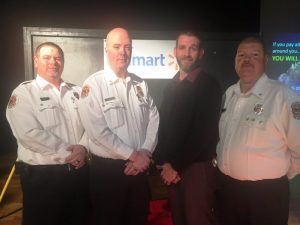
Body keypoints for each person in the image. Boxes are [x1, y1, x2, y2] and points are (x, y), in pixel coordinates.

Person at [78, 27, 159, 225]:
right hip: (108, 174)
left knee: (138, 218)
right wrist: (134, 156)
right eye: (116, 46)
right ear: (107, 49)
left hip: (139, 169)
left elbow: (154, 118)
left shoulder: (141, 84)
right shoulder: (93, 85)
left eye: (127, 47)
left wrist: (146, 152)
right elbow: (97, 131)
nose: (123, 52)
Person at [216, 36, 300, 225]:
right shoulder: (229, 93)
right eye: (241, 55)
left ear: (265, 60)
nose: (247, 60)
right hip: (229, 190)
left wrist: (282, 173)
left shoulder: (283, 96)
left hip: (266, 196)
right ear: (235, 60)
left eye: (255, 54)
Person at [6, 42, 90, 225]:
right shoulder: (24, 93)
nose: (53, 61)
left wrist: (83, 148)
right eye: (47, 57)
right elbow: (28, 133)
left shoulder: (76, 92)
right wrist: (71, 154)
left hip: (78, 174)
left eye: (58, 58)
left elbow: (91, 125)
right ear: (36, 61)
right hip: (43, 179)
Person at [152, 31, 223, 225]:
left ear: (201, 53)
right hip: (174, 169)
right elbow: (163, 127)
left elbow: (203, 134)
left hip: (196, 170)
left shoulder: (209, 85)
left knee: (197, 220)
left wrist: (173, 165)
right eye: (182, 47)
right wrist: (164, 162)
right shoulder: (171, 86)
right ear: (175, 51)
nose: (187, 53)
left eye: (193, 48)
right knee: (179, 220)